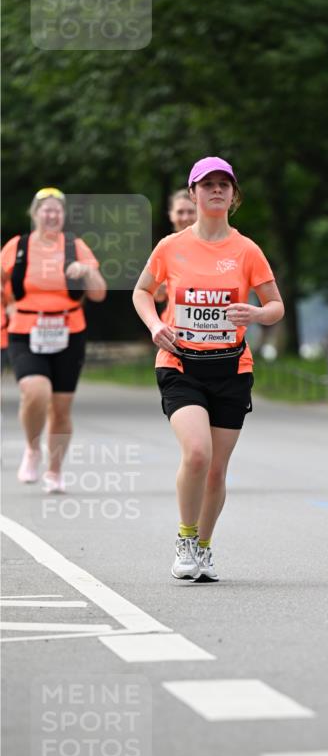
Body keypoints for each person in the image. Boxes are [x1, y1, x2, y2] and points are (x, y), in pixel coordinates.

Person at [132, 156, 284, 583]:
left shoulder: (246, 249)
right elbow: (143, 292)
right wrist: (156, 324)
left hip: (232, 368)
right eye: (207, 184)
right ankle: (185, 538)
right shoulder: (170, 246)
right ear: (194, 192)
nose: (216, 190)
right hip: (180, 364)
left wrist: (253, 314)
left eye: (224, 184)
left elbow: (276, 307)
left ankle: (203, 548)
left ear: (234, 195)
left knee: (217, 468)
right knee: (197, 453)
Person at [1, 187, 107, 492]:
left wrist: (87, 271)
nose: (51, 215)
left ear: (63, 216)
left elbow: (99, 293)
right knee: (36, 391)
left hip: (69, 330)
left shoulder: (76, 246)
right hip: (25, 329)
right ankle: (32, 448)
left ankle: (55, 471)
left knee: (61, 409)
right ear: (35, 214)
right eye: (45, 210)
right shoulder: (17, 246)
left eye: (57, 210)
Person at [154, 189, 198, 307]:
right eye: (180, 212)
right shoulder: (165, 247)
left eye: (190, 212)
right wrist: (161, 288)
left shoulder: (215, 245)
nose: (185, 218)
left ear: (200, 213)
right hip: (174, 323)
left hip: (211, 323)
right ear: (171, 215)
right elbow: (157, 296)